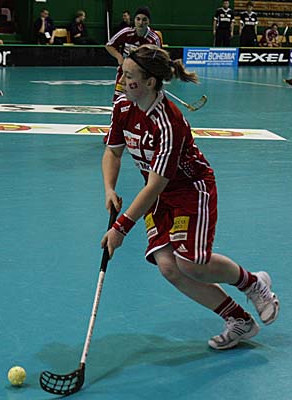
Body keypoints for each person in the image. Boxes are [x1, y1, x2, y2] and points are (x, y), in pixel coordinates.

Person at [101, 44, 280, 350]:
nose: (122, 81)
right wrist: (109, 188)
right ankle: (239, 320)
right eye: (122, 74)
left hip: (190, 189)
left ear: (150, 82)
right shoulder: (123, 107)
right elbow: (112, 152)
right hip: (159, 195)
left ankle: (253, 283)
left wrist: (120, 229)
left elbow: (155, 185)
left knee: (191, 263)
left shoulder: (168, 122)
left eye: (129, 76)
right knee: (169, 267)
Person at [106, 6, 161, 102]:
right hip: (124, 73)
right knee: (118, 101)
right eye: (138, 19)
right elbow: (109, 45)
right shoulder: (126, 32)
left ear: (148, 22)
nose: (140, 22)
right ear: (134, 20)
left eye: (144, 20)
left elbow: (158, 59)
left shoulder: (154, 39)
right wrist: (119, 57)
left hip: (141, 76)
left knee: (138, 102)